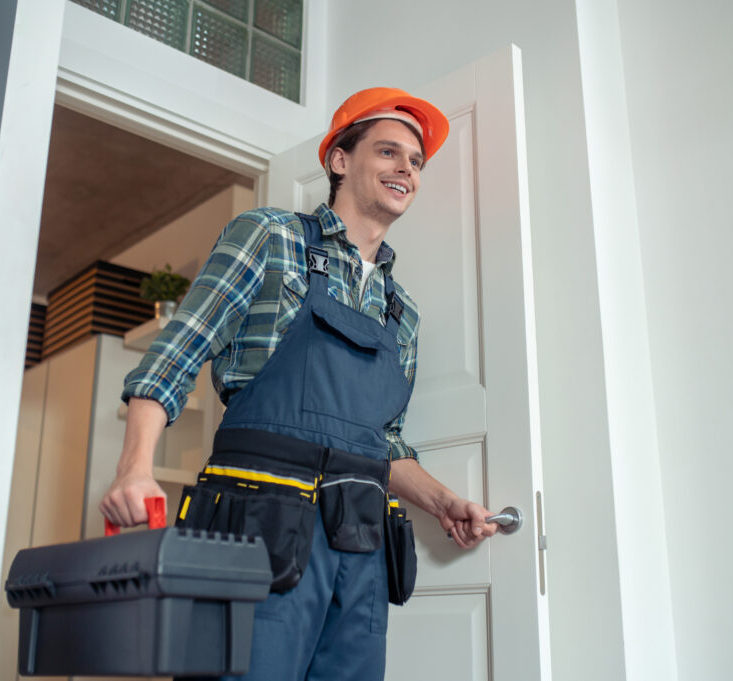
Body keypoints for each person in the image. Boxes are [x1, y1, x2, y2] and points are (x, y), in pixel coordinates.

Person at [100, 87, 498, 681]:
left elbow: (384, 443)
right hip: (257, 527)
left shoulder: (402, 311)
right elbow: (178, 351)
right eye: (388, 152)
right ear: (339, 159)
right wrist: (134, 468)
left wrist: (445, 504)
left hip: (360, 547)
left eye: (416, 162)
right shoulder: (270, 237)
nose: (406, 170)